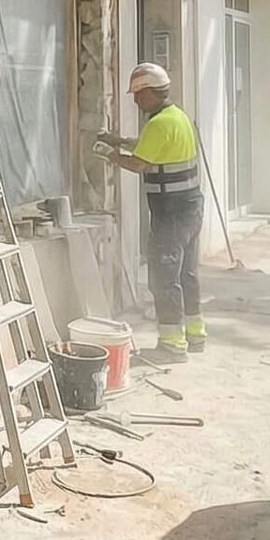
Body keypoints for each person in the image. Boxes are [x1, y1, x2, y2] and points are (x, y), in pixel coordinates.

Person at [96, 62, 206, 365]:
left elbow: (140, 163)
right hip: (191, 207)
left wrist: (111, 155)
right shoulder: (177, 117)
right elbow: (153, 148)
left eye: (138, 94)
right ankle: (195, 334)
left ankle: (172, 345)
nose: (134, 100)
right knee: (187, 272)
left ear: (151, 93)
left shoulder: (158, 124)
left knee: (163, 276)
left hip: (170, 211)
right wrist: (119, 141)